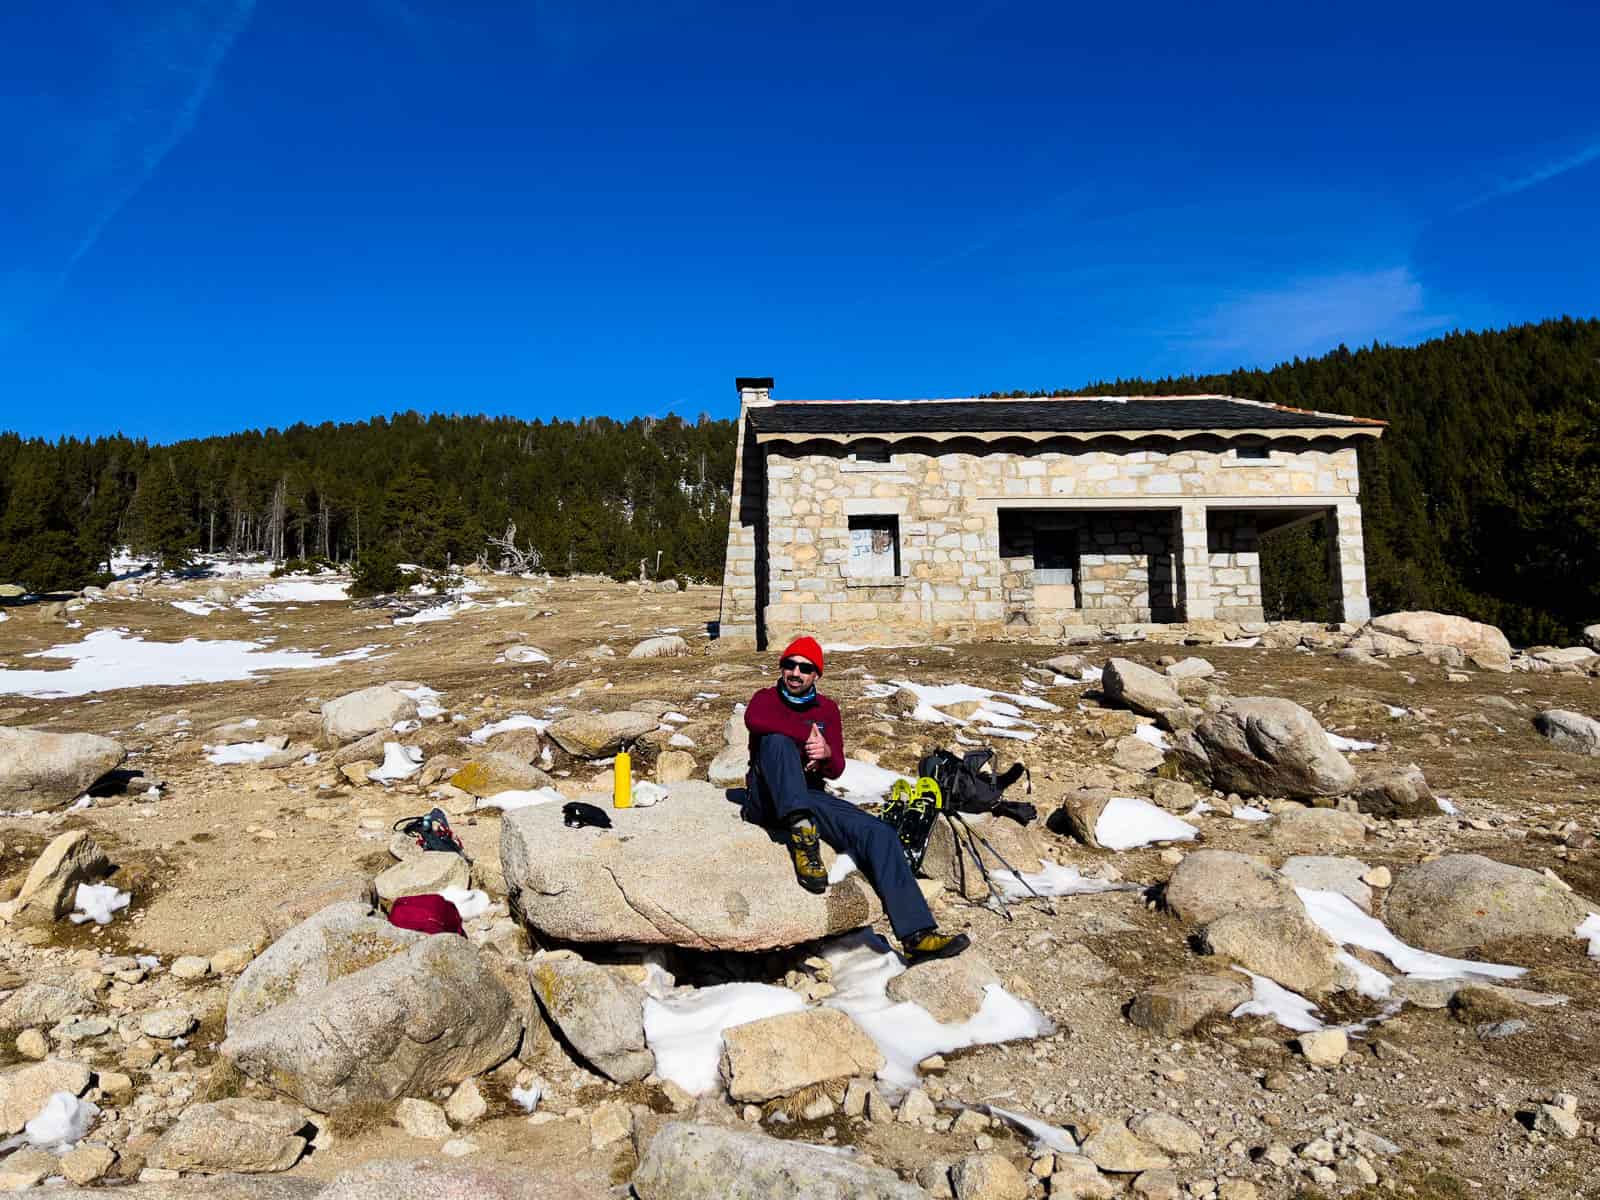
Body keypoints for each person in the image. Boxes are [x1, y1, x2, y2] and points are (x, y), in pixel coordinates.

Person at [744, 636, 970, 964]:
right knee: (776, 742)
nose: (795, 673)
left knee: (879, 833)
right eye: (789, 665)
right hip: (765, 797)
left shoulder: (827, 709)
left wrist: (825, 753)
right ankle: (804, 841)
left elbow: (835, 770)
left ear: (816, 675)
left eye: (804, 668)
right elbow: (756, 721)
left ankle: (917, 936)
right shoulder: (765, 699)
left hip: (808, 795)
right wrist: (806, 734)